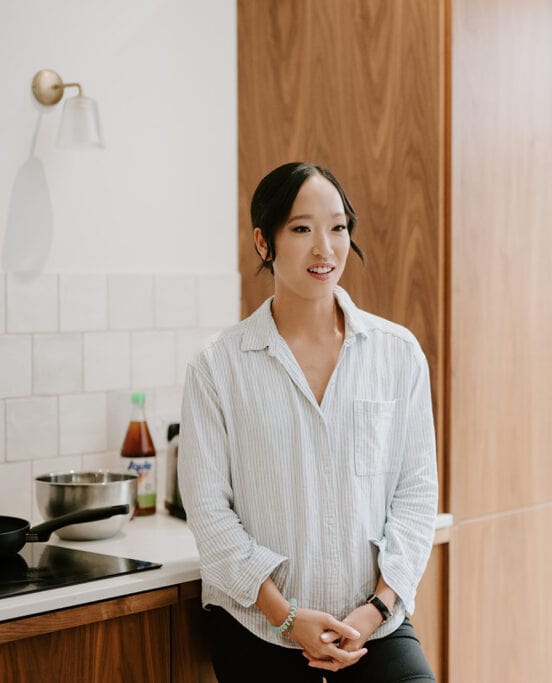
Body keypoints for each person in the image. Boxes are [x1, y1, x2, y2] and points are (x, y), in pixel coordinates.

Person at [179, 162, 439, 682]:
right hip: (259, 627)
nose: (325, 248)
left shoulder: (397, 353)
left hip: (373, 628)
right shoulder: (218, 365)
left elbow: (416, 494)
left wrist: (376, 610)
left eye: (338, 227)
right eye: (301, 229)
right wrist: (288, 616)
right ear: (263, 241)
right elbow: (209, 512)